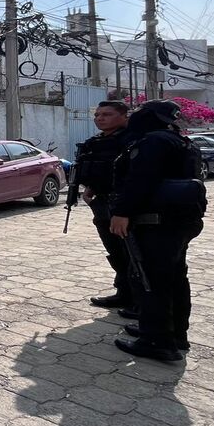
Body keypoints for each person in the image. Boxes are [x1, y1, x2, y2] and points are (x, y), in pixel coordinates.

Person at [109, 100, 206, 363]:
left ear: (150, 117)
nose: (134, 118)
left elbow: (141, 180)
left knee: (152, 280)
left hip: (157, 222)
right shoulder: (180, 141)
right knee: (174, 278)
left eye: (138, 113)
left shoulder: (153, 142)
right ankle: (173, 334)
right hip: (180, 220)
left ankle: (157, 341)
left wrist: (122, 212)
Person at [74, 101, 134, 311]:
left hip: (124, 204)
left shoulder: (132, 140)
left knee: (132, 253)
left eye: (107, 114)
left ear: (125, 116)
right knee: (115, 251)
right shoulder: (96, 141)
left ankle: (140, 300)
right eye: (97, 114)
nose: (100, 118)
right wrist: (90, 187)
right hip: (101, 202)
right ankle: (123, 293)